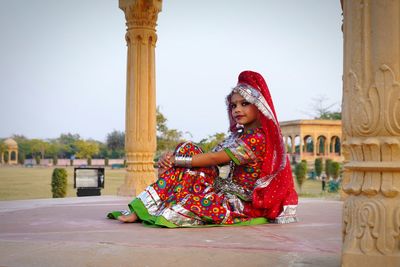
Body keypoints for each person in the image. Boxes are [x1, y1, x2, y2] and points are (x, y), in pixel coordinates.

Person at [107, 70, 298, 227]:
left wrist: (177, 161)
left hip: (243, 202)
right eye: (233, 105)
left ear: (259, 106)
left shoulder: (258, 139)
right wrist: (175, 158)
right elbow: (208, 155)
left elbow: (216, 159)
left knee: (191, 202)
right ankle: (145, 207)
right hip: (225, 189)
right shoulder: (239, 136)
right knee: (188, 148)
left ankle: (146, 208)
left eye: (244, 104)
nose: (237, 110)